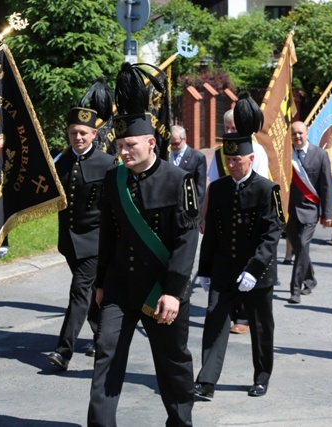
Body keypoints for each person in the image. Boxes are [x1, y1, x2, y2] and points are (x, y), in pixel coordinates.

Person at [87, 62, 200, 427]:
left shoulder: (178, 179)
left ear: (151, 142)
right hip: (120, 287)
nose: (123, 152)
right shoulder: (112, 179)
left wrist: (173, 291)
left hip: (162, 289)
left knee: (173, 363)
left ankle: (180, 421)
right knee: (105, 355)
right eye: (119, 145)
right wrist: (101, 283)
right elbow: (108, 234)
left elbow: (186, 239)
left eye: (130, 145)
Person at [194, 95, 284, 401]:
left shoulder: (266, 189)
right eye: (228, 160)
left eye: (237, 160)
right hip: (224, 267)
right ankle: (206, 380)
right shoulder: (218, 189)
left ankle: (262, 376)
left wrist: (255, 269)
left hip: (257, 272)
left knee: (260, 326)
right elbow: (213, 234)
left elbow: (272, 233)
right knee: (215, 320)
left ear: (249, 159)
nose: (232, 164)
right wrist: (204, 269)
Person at [46, 99, 115, 370]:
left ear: (94, 135)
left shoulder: (108, 164)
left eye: (83, 133)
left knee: (79, 292)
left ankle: (63, 351)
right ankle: (103, 337)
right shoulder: (60, 162)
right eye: (74, 133)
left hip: (95, 242)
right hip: (69, 242)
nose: (78, 138)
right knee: (90, 295)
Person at [202, 98, 271, 334]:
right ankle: (233, 313)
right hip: (225, 214)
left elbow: (258, 185)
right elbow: (212, 184)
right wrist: (205, 214)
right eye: (228, 128)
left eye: (234, 127)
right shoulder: (222, 152)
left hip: (249, 217)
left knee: (247, 267)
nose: (231, 131)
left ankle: (242, 316)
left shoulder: (255, 151)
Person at [285, 121, 332, 303]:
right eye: (294, 133)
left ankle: (295, 290)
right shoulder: (286, 154)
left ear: (307, 134)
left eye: (300, 133)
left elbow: (326, 186)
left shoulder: (320, 155)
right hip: (290, 212)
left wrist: (327, 214)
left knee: (303, 247)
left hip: (310, 210)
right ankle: (310, 279)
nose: (297, 136)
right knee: (300, 249)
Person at [170, 124, 207, 209]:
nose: (173, 147)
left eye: (176, 143)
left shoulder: (198, 158)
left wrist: (196, 212)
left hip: (187, 206)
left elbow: (200, 189)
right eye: (171, 144)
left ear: (184, 139)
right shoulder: (167, 155)